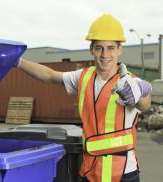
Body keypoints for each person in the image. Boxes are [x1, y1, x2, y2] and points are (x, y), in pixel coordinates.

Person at [16, 14, 152, 182]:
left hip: (123, 172)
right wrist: (17, 61)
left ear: (119, 49)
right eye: (99, 48)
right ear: (91, 49)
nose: (104, 54)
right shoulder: (83, 76)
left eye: (110, 48)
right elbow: (49, 75)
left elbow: (145, 105)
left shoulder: (129, 82)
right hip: (90, 169)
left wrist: (138, 93)